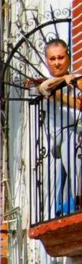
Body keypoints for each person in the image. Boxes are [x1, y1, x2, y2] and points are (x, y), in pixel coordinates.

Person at [38, 38, 81, 216]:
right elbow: (45, 88)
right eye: (52, 59)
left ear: (68, 57)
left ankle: (78, 202)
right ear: (47, 61)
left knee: (73, 159)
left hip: (74, 137)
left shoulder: (78, 80)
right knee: (51, 187)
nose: (57, 63)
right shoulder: (46, 82)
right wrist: (64, 80)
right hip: (51, 145)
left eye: (60, 58)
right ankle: (54, 215)